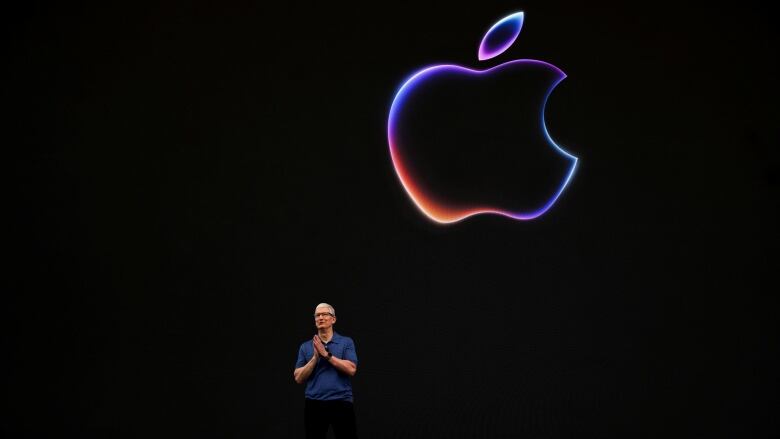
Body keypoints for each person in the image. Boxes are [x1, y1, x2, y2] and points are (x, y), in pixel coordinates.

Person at [294, 303, 358, 439]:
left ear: (333, 319)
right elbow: (298, 377)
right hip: (314, 404)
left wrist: (327, 356)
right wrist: (315, 358)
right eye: (317, 315)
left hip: (341, 401)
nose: (320, 318)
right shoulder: (306, 346)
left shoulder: (346, 342)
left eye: (324, 314)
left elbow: (351, 369)